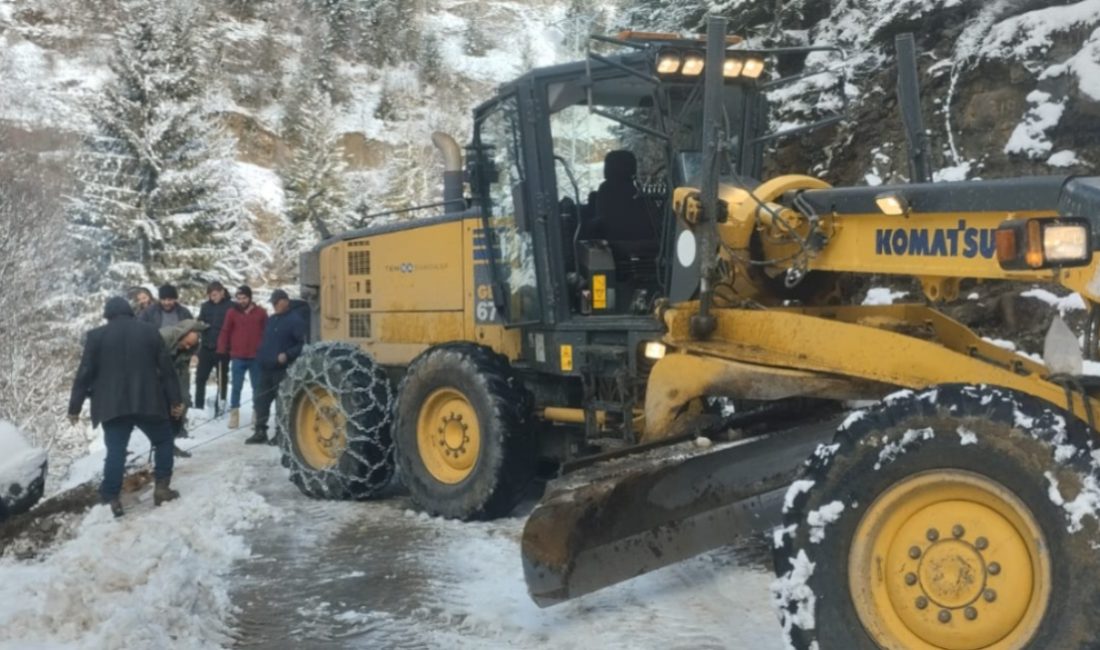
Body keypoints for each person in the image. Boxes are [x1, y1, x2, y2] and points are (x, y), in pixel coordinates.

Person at [67, 297, 183, 518]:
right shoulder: (149, 331)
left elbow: (84, 374)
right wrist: (175, 401)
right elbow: (167, 370)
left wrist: (74, 407)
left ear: (107, 316)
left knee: (116, 451)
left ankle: (111, 498)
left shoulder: (96, 336)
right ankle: (162, 488)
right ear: (130, 312)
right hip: (148, 401)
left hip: (112, 405)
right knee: (163, 440)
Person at [246, 290, 307, 445]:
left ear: (285, 301)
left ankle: (281, 434)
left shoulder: (296, 320)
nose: (274, 306)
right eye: (272, 303)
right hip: (265, 367)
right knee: (260, 400)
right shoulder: (272, 319)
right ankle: (260, 431)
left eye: (276, 303)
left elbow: (302, 344)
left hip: (282, 369)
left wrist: (287, 354)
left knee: (282, 402)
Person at [217, 285, 267, 430]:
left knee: (257, 387)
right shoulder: (231, 313)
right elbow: (225, 331)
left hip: (255, 356)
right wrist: (221, 348)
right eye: (238, 298)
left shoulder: (261, 313)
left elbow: (267, 332)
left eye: (244, 298)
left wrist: (265, 350)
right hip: (238, 355)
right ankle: (234, 414)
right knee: (236, 387)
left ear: (250, 298)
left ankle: (257, 413)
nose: (241, 301)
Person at [160, 319, 209, 458]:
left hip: (177, 372)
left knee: (183, 401)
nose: (188, 348)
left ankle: (171, 440)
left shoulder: (191, 346)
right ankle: (162, 444)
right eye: (187, 343)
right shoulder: (165, 336)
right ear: (183, 334)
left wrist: (180, 398)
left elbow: (183, 367)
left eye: (191, 346)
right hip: (158, 374)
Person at [195, 281, 231, 412]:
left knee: (222, 379)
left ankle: (220, 406)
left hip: (222, 349)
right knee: (200, 378)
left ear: (222, 292)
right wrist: (200, 325)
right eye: (211, 295)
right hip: (206, 347)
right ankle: (198, 407)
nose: (213, 298)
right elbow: (200, 321)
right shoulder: (205, 306)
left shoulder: (230, 306)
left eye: (215, 295)